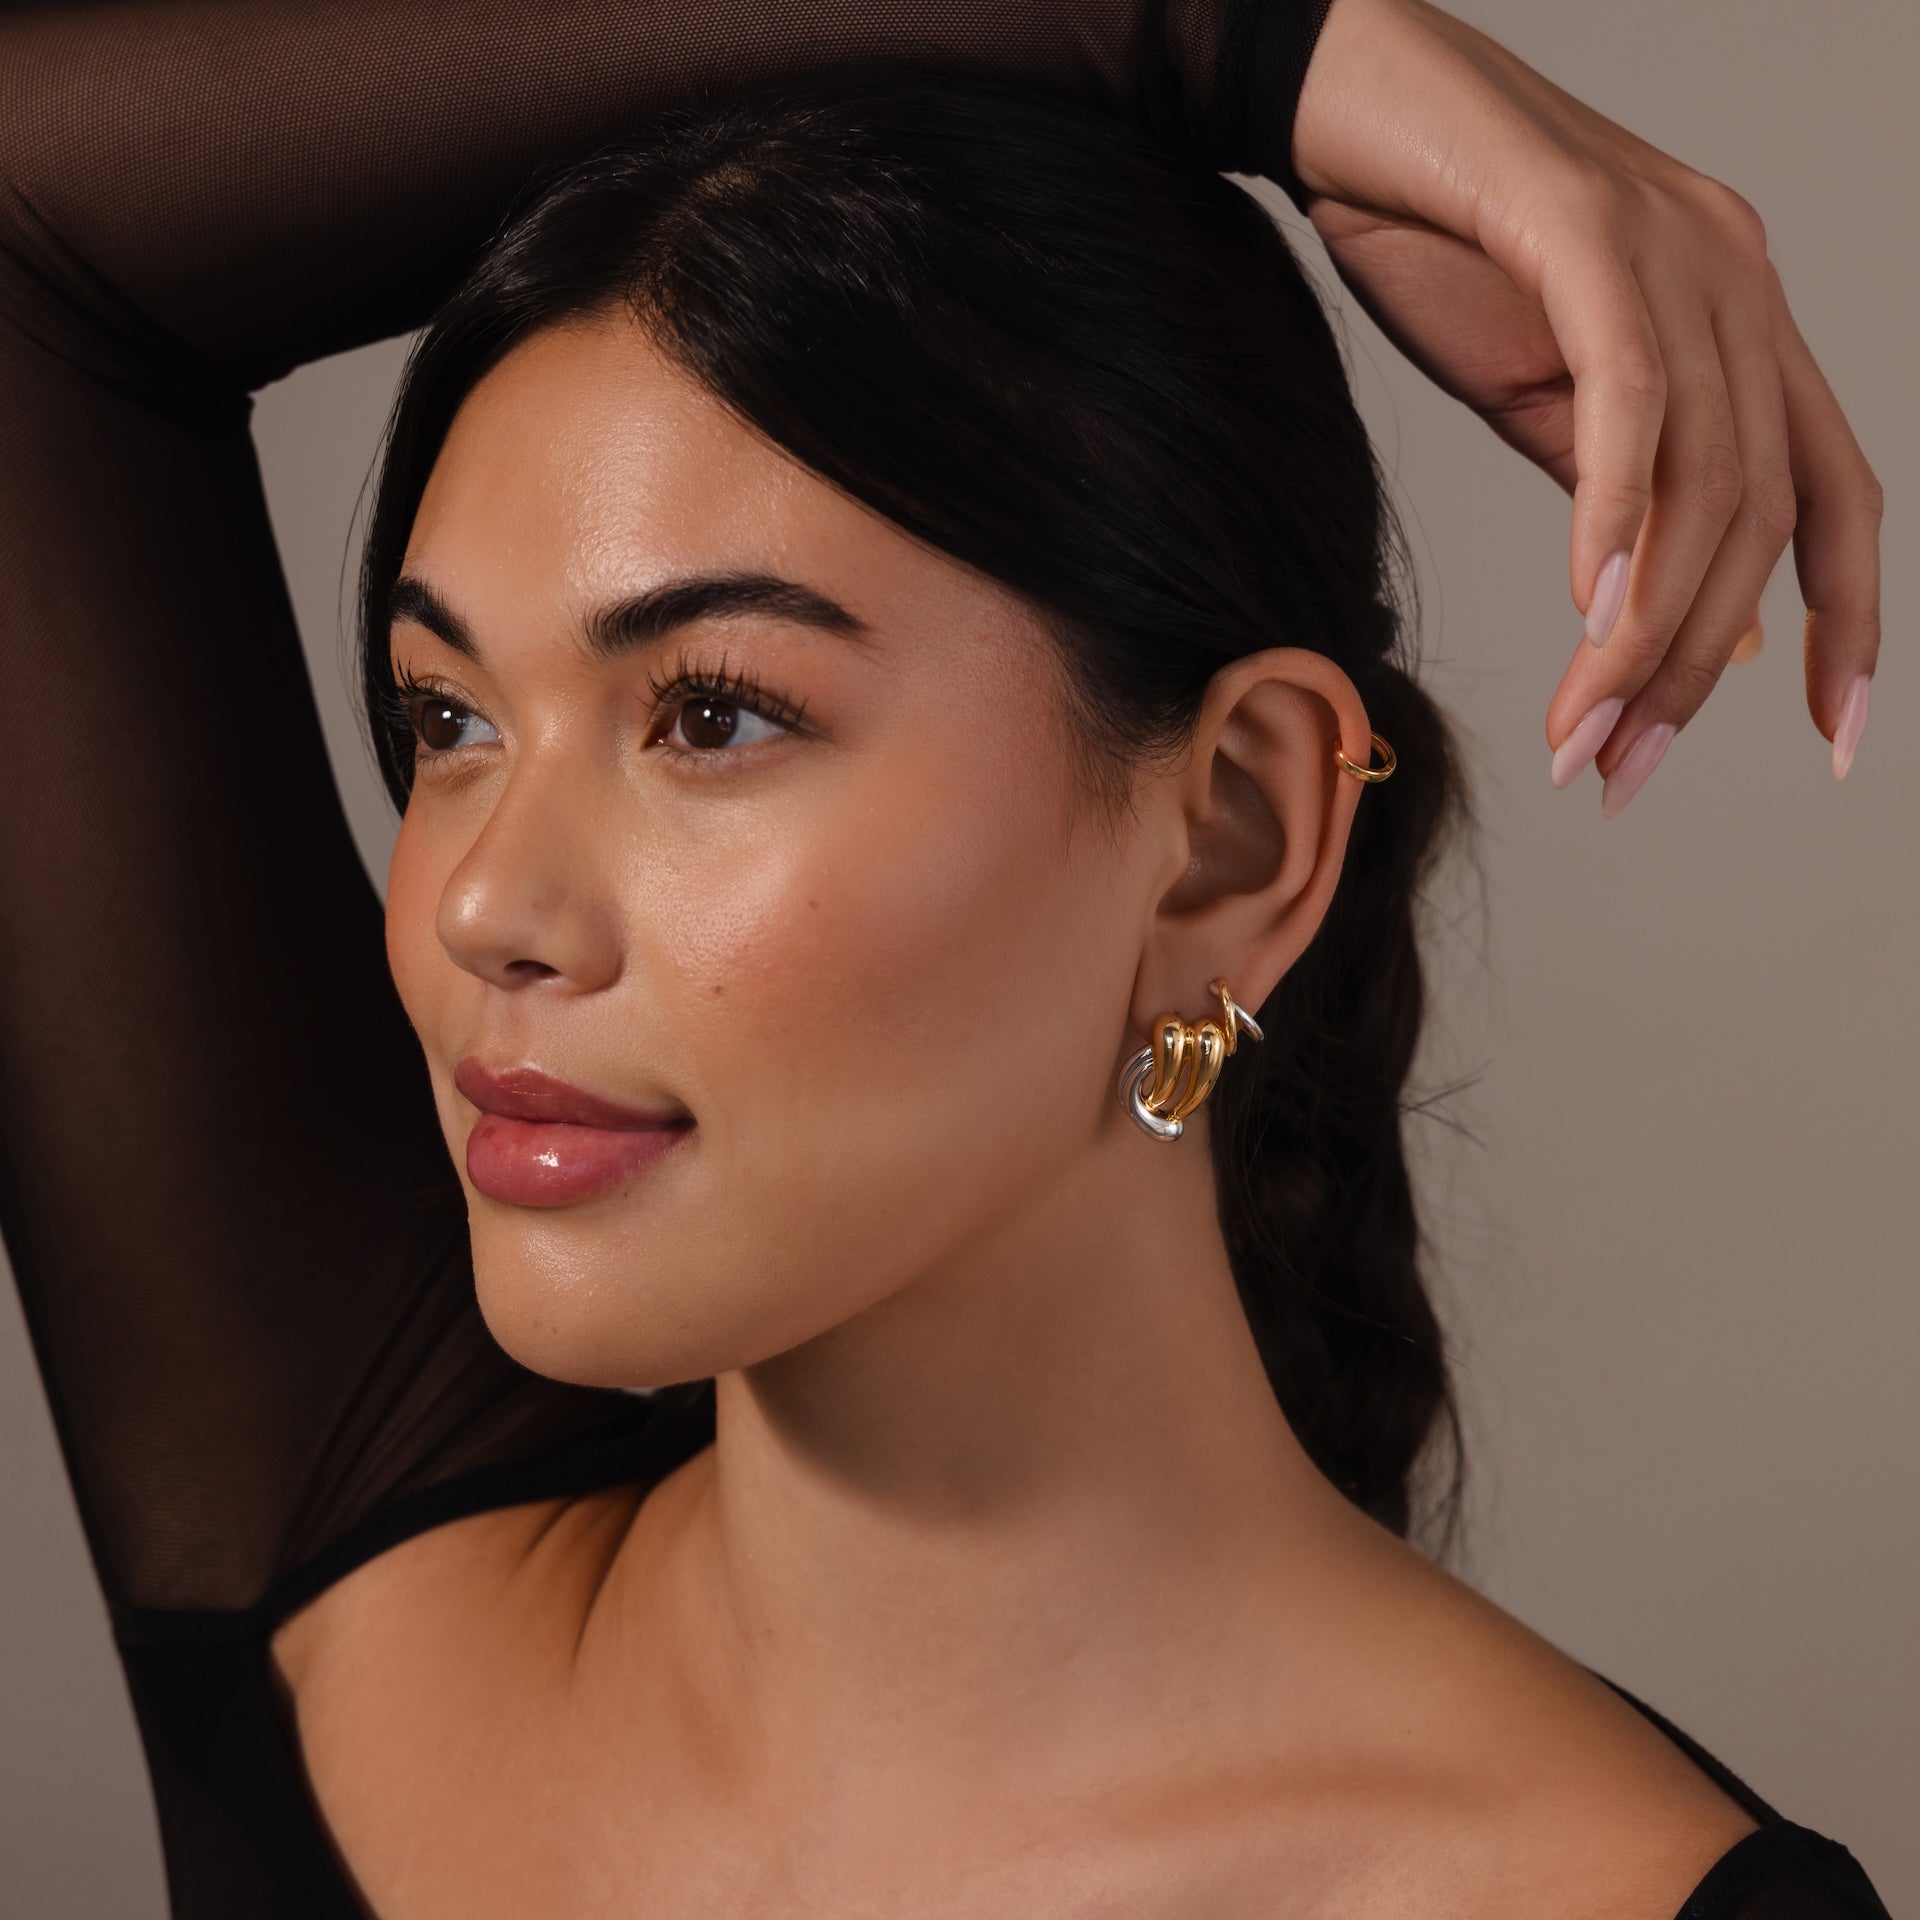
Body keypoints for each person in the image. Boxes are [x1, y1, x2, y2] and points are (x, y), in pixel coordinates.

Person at [0, 2, 1886, 1917]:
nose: (484, 906)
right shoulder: (358, 1576)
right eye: (448, 718)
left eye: (715, 715)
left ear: (1230, 835)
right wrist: (1216, 36)